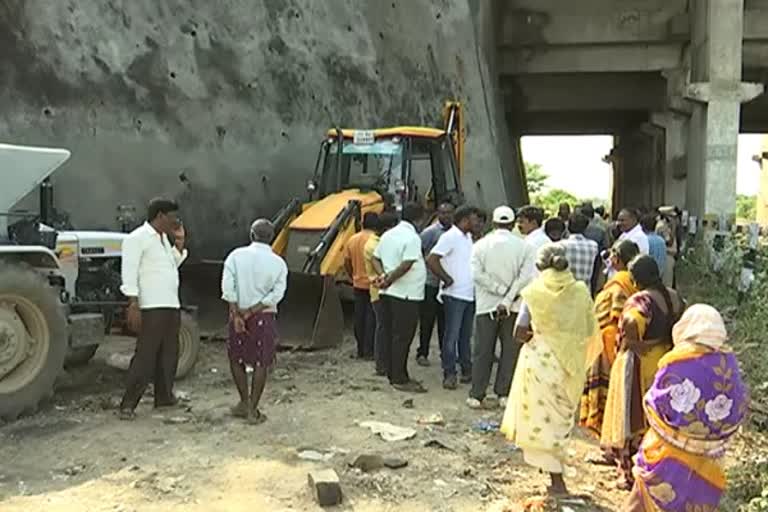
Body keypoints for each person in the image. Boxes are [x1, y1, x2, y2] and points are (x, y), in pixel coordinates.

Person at [624, 305, 749, 511]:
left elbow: (655, 402)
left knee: (641, 500)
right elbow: (739, 403)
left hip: (667, 454)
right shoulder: (729, 362)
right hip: (708, 460)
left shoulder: (680, 360)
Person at [500, 244, 602, 496]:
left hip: (541, 362)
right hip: (570, 364)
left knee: (541, 419)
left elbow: (519, 332)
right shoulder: (580, 291)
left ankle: (556, 480)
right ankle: (553, 472)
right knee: (560, 420)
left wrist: (541, 335)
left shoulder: (534, 293)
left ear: (539, 267)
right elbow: (590, 330)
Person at [601, 255, 685, 489]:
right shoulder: (674, 296)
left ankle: (629, 474)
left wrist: (635, 343)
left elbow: (629, 320)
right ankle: (657, 468)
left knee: (632, 414)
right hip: (667, 359)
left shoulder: (641, 299)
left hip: (640, 362)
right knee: (659, 417)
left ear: (637, 278)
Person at [119, 198, 188, 420]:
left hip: (170, 303)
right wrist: (133, 303)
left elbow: (170, 265)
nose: (175, 221)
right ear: (160, 216)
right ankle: (128, 404)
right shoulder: (137, 239)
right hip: (151, 306)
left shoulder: (162, 240)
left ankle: (164, 397)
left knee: (169, 353)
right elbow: (129, 272)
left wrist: (179, 243)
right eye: (172, 217)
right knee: (146, 356)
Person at [220, 219, 288, 423]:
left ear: (251, 235)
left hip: (237, 313)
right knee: (261, 362)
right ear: (272, 238)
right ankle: (252, 409)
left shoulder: (235, 256)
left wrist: (237, 314)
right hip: (263, 316)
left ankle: (243, 401)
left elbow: (227, 286)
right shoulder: (278, 263)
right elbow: (277, 294)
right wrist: (251, 312)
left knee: (236, 358)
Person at [468, 206, 533, 409]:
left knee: (483, 351)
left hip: (487, 306)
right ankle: (503, 393)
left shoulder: (480, 245)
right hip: (513, 306)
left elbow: (477, 275)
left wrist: (498, 290)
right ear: (513, 223)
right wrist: (508, 297)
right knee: (510, 351)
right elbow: (525, 277)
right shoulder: (524, 247)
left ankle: (477, 394)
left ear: (493, 223)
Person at [579, 240, 639, 438]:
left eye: (613, 255)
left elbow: (617, 313)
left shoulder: (619, 283)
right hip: (613, 339)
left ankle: (610, 438)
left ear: (618, 259)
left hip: (608, 340)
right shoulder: (630, 279)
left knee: (608, 391)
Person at [373, 202, 428, 393]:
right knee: (402, 337)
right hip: (406, 294)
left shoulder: (388, 234)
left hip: (388, 293)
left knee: (390, 333)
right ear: (419, 219)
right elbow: (407, 264)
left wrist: (383, 276)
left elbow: (375, 257)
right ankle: (399, 378)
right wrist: (388, 279)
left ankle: (391, 372)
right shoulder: (412, 237)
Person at [427, 205, 479, 389]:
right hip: (454, 294)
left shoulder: (468, 237)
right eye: (474, 219)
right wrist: (446, 279)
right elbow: (432, 259)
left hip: (468, 294)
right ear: (465, 219)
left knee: (465, 336)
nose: (477, 223)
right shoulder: (449, 237)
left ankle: (466, 369)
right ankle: (449, 372)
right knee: (452, 336)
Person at [417, 202, 454, 366]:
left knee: (445, 321)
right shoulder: (430, 232)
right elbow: (419, 250)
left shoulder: (456, 233)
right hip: (431, 282)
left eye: (449, 213)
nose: (446, 216)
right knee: (427, 320)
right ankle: (422, 352)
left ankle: (444, 353)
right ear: (438, 214)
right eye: (443, 213)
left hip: (448, 284)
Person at [365, 212, 398, 376]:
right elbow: (386, 269)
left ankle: (385, 362)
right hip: (379, 292)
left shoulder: (378, 242)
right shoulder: (374, 246)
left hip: (384, 291)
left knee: (385, 328)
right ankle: (381, 364)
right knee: (383, 329)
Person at [344, 212, 378, 360]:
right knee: (372, 318)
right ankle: (369, 351)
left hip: (358, 283)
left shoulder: (352, 240)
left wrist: (353, 275)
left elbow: (346, 262)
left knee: (359, 317)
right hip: (373, 284)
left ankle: (360, 350)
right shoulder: (376, 241)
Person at [560, 213, 599, 286]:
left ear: (568, 227)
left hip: (565, 291)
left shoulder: (561, 245)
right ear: (586, 228)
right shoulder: (594, 246)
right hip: (585, 292)